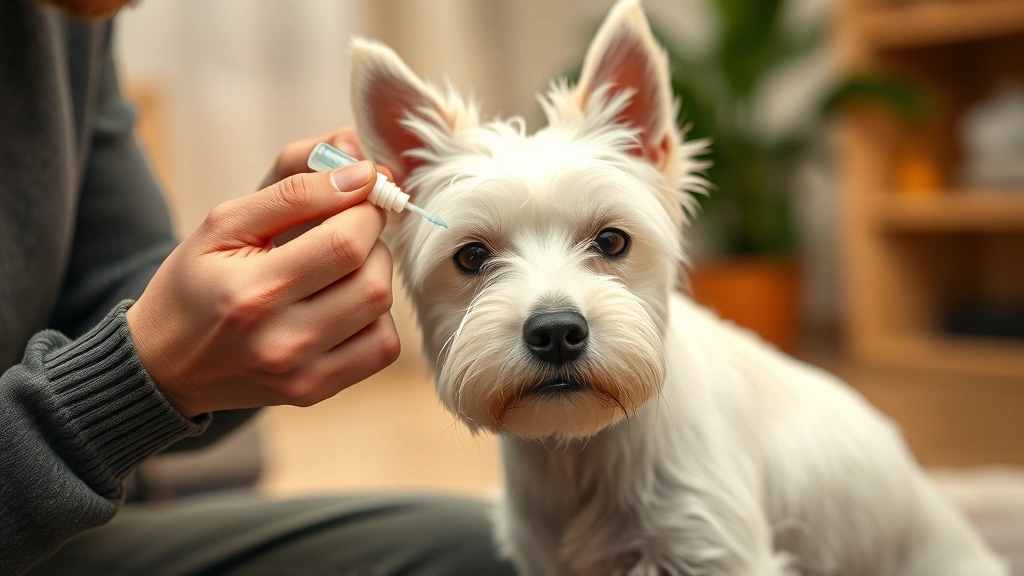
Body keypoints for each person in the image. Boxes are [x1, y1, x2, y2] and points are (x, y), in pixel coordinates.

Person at [0, 1, 515, 574]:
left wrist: (263, 273)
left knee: (495, 551)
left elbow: (106, 299)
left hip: (67, 532)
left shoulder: (73, 20)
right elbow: (136, 360)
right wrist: (140, 378)